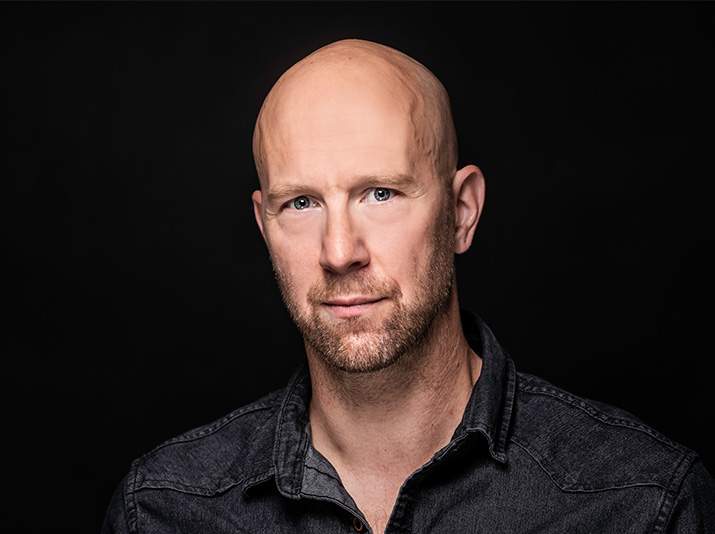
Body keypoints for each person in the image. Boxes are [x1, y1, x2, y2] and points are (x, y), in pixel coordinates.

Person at [102, 39, 714, 534]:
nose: (339, 252)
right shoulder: (161, 511)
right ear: (265, 226)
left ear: (462, 212)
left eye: (381, 193)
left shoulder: (641, 504)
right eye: (302, 203)